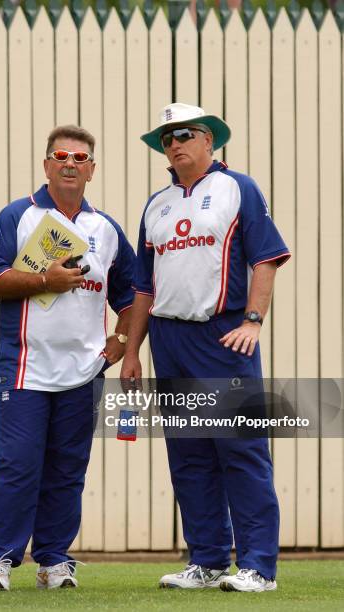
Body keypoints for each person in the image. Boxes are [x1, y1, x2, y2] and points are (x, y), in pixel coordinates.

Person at [121, 103, 290, 593]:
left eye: (186, 134)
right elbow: (143, 288)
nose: (176, 144)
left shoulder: (238, 187)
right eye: (167, 138)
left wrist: (254, 321)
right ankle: (209, 559)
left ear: (210, 141)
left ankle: (258, 566)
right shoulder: (156, 204)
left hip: (223, 336)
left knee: (240, 451)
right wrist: (133, 352)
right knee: (189, 456)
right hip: (169, 340)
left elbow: (266, 258)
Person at [0, 125, 135, 591]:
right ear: (46, 164)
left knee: (67, 470)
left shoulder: (104, 230)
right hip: (24, 369)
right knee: (18, 466)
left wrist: (122, 340)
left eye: (80, 158)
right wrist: (44, 280)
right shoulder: (18, 217)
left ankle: (53, 561)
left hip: (83, 373)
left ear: (91, 170)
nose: (70, 163)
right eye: (60, 155)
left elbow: (131, 294)